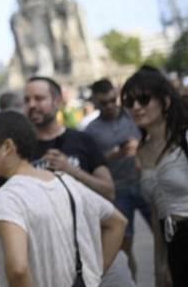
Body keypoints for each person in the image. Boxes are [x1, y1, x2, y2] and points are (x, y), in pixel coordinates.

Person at [0, 111, 128, 287]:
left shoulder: (7, 197)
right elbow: (118, 222)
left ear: (7, 147)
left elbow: (18, 270)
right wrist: (94, 276)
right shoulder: (64, 181)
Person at [122, 66, 188, 287]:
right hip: (174, 243)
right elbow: (156, 211)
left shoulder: (184, 139)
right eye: (130, 103)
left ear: (166, 102)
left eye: (143, 99)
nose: (136, 107)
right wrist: (160, 262)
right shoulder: (140, 150)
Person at [84, 78, 151, 279]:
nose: (111, 106)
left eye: (114, 100)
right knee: (124, 246)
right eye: (104, 102)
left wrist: (139, 147)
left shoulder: (133, 116)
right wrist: (113, 154)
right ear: (95, 102)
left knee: (167, 234)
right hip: (118, 190)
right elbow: (91, 164)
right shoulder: (91, 131)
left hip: (143, 182)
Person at [23, 76, 114, 200]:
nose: (31, 105)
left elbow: (109, 191)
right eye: (27, 100)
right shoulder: (21, 150)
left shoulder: (83, 140)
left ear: (58, 101)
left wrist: (71, 170)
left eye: (39, 98)